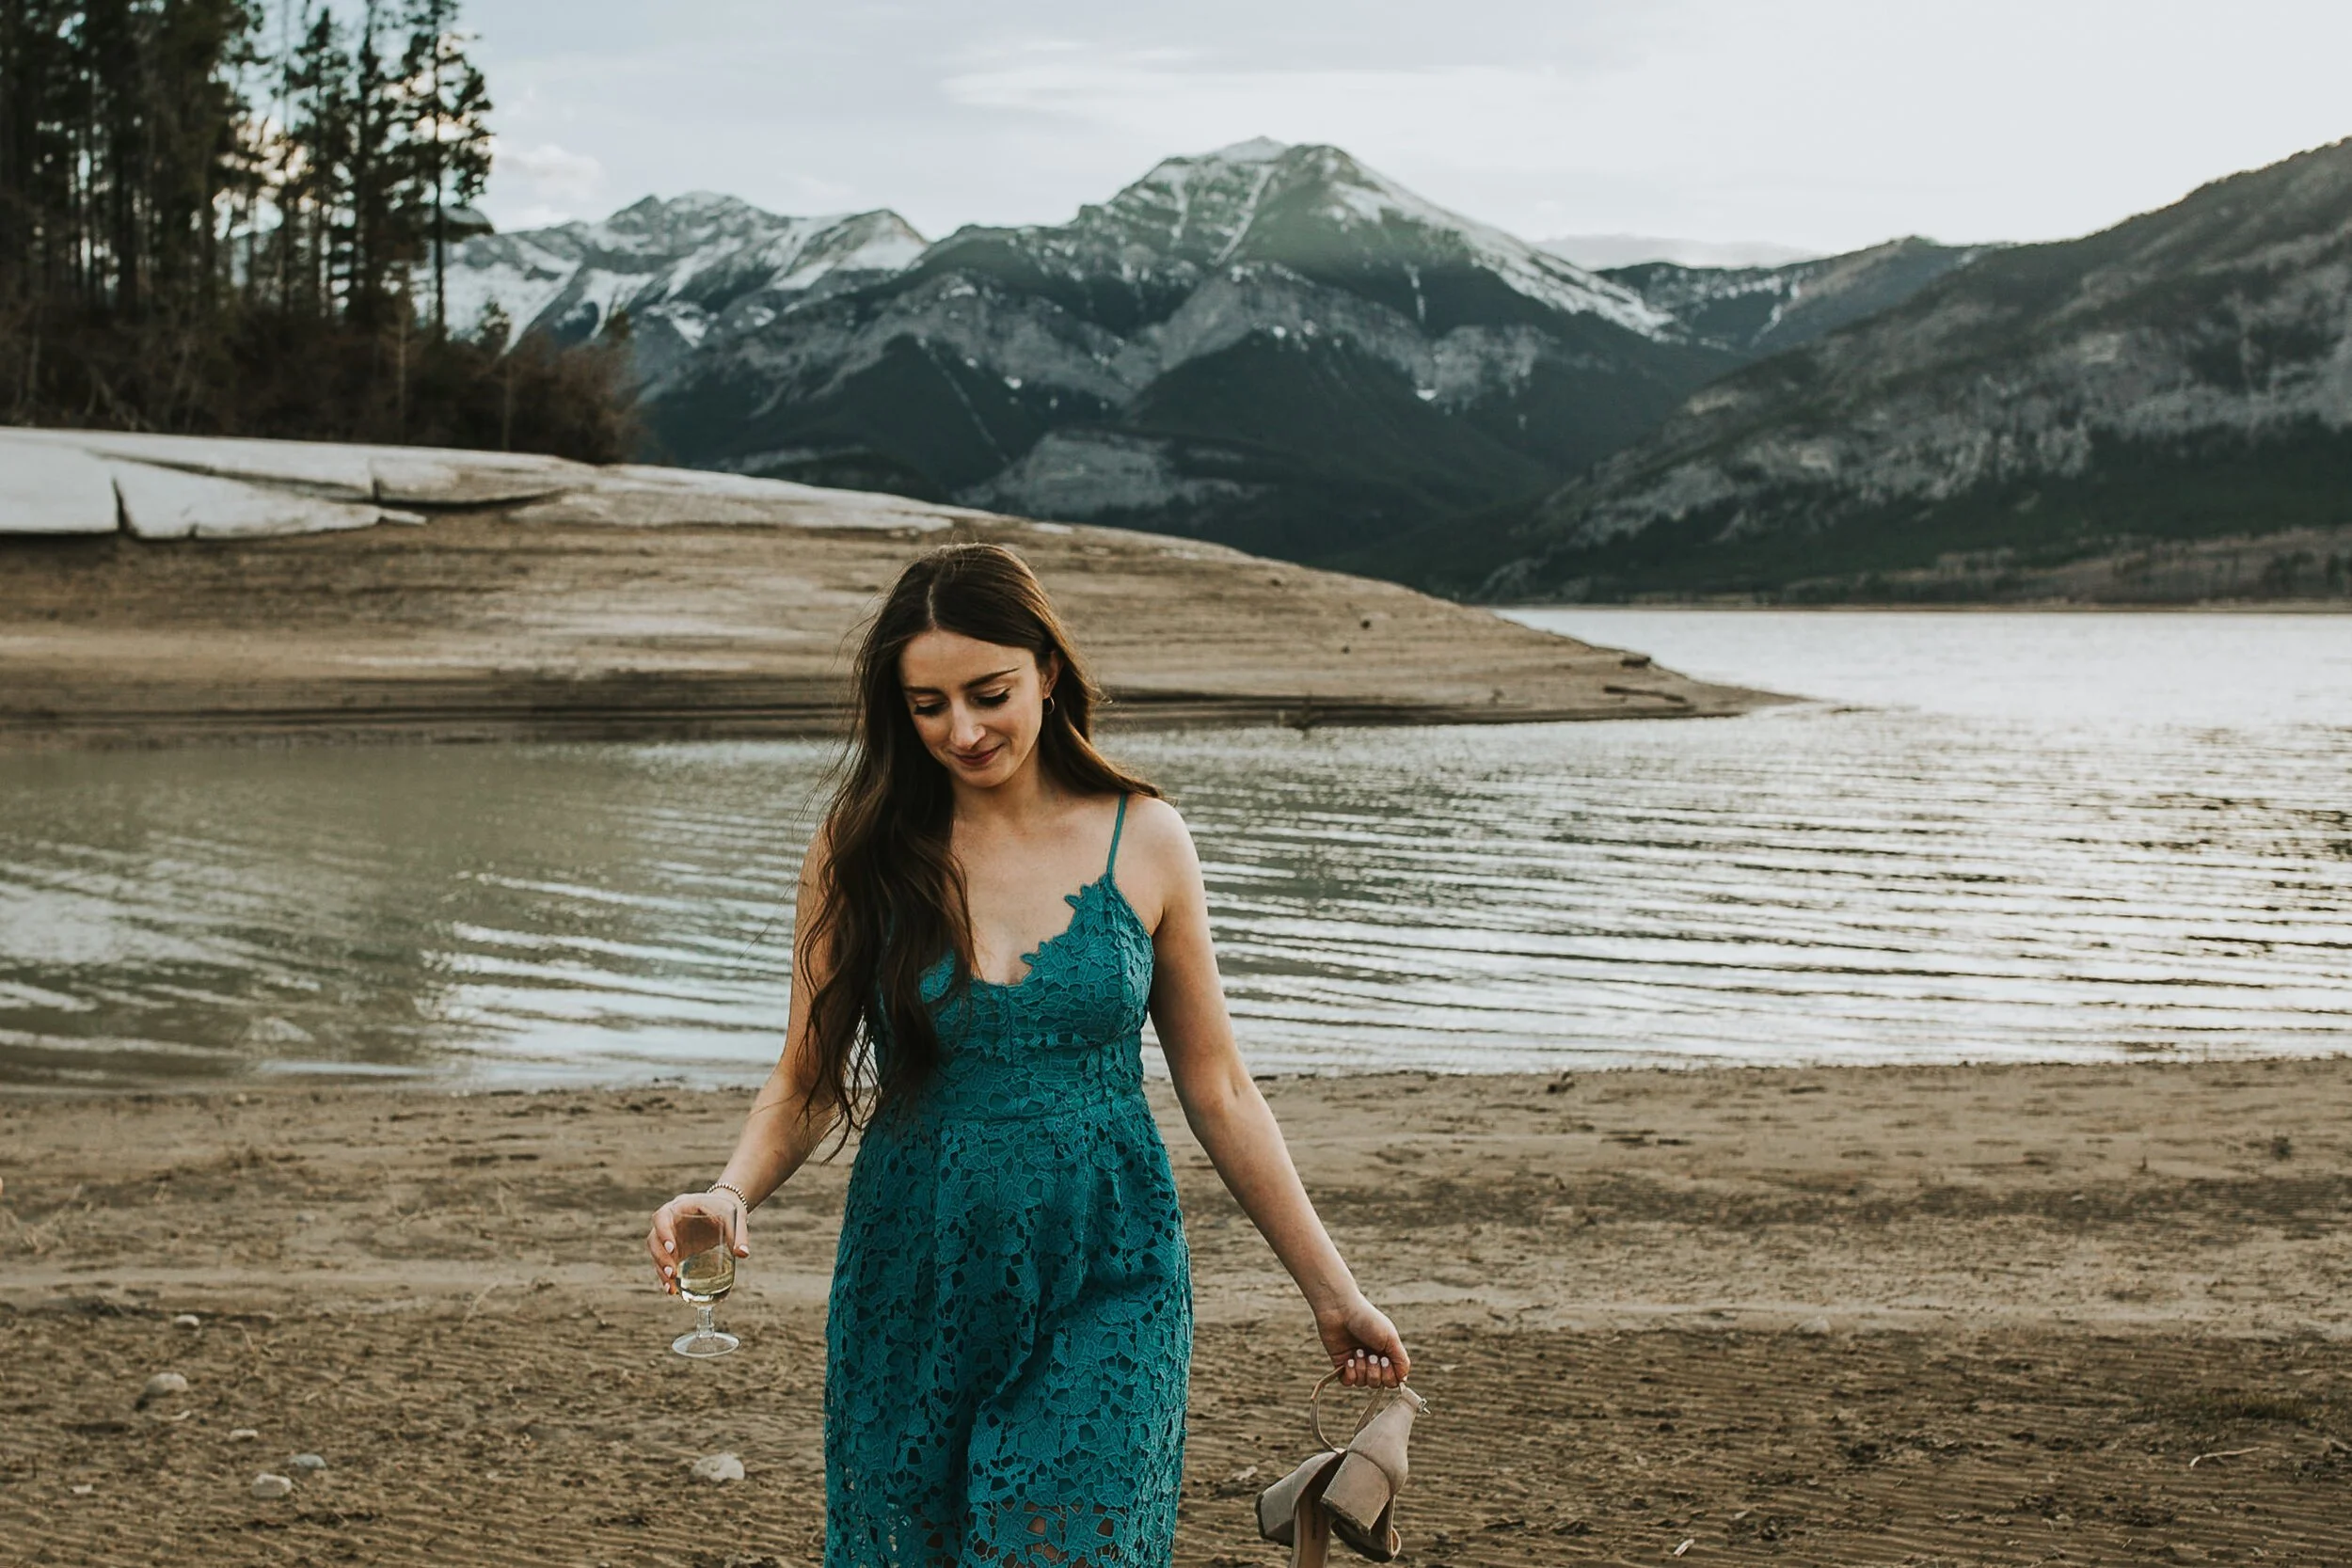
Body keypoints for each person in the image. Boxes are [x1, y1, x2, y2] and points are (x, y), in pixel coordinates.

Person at [645, 541, 1409, 1566]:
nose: (962, 730)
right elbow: (807, 1078)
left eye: (989, 693)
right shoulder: (859, 848)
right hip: (913, 1267)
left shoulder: (1145, 836)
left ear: (1047, 670)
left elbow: (1221, 1087)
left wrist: (1334, 1292)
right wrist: (730, 1189)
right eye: (927, 705)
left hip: (1109, 1265)